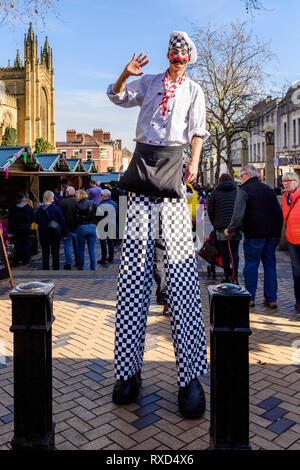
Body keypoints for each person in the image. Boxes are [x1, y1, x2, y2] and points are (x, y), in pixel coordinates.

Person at [107, 31, 209, 418]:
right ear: (168, 55)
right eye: (173, 52)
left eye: (183, 53)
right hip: (141, 177)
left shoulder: (195, 91)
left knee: (182, 276)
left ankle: (189, 378)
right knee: (133, 274)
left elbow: (197, 132)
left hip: (172, 176)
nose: (177, 57)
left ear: (189, 60)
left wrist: (194, 164)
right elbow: (117, 96)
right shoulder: (149, 82)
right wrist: (124, 73)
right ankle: (127, 371)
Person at [225, 165, 283, 308]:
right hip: (271, 235)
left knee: (251, 266)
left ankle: (250, 298)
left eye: (241, 175)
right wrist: (277, 234)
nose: (240, 178)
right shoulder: (269, 189)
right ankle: (271, 299)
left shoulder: (244, 190)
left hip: (254, 234)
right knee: (270, 266)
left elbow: (238, 215)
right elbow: (278, 213)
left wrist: (230, 230)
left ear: (248, 175)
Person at [207, 174, 241, 283]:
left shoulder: (215, 193)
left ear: (219, 180)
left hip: (221, 227)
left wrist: (215, 224)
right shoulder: (237, 192)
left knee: (224, 252)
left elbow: (210, 211)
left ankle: (227, 276)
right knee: (235, 252)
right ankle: (234, 276)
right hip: (235, 227)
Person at [281, 172, 300, 312]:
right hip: (292, 239)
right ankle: (298, 300)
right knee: (296, 272)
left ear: (296, 181)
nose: (286, 183)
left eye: (289, 180)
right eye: (283, 181)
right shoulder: (285, 197)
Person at [35, 191, 66, 270]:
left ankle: (45, 269)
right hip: (55, 233)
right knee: (55, 253)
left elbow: (35, 219)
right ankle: (55, 269)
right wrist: (64, 233)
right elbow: (62, 221)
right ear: (52, 197)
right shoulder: (56, 208)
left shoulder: (39, 209)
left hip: (43, 234)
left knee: (45, 253)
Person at [8, 193, 34, 267]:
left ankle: (16, 260)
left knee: (17, 245)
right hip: (26, 229)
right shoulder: (29, 207)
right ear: (23, 199)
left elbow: (10, 221)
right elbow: (33, 218)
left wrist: (10, 231)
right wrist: (28, 224)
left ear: (16, 200)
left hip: (16, 230)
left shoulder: (13, 209)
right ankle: (25, 260)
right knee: (26, 244)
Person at [75, 189, 97, 271]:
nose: (75, 197)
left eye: (76, 195)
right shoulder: (92, 203)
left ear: (80, 195)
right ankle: (93, 267)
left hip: (82, 227)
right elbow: (97, 214)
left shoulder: (77, 205)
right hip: (92, 226)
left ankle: (81, 266)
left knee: (81, 248)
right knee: (92, 249)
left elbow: (76, 218)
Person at [59, 186, 80, 270]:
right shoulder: (77, 201)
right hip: (76, 227)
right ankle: (78, 261)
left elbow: (60, 216)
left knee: (67, 245)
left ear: (67, 192)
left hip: (66, 227)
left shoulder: (62, 202)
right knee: (77, 245)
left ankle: (68, 263)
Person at [96, 189, 118, 264]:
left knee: (103, 243)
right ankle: (111, 258)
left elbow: (98, 216)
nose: (100, 197)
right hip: (112, 224)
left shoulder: (101, 205)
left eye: (101, 195)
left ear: (105, 196)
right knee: (110, 242)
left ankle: (104, 258)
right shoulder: (114, 203)